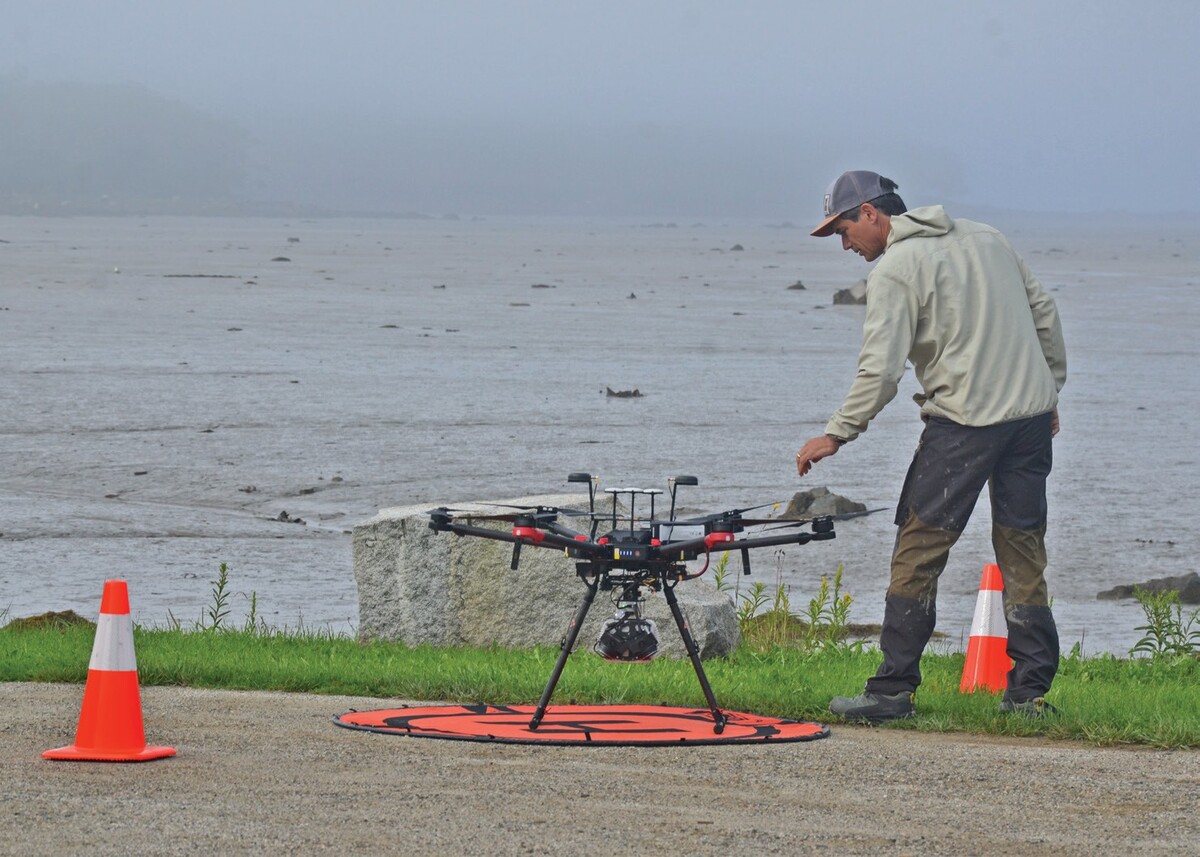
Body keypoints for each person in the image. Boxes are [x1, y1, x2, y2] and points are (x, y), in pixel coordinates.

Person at [796, 170, 1067, 723]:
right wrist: (1049, 388)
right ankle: (1028, 697)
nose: (846, 246)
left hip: (964, 424)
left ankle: (892, 693)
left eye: (845, 231)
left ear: (871, 213)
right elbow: (1044, 314)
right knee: (1023, 547)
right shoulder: (986, 237)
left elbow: (881, 370)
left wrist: (837, 432)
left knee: (919, 549)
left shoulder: (896, 269)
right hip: (1030, 419)